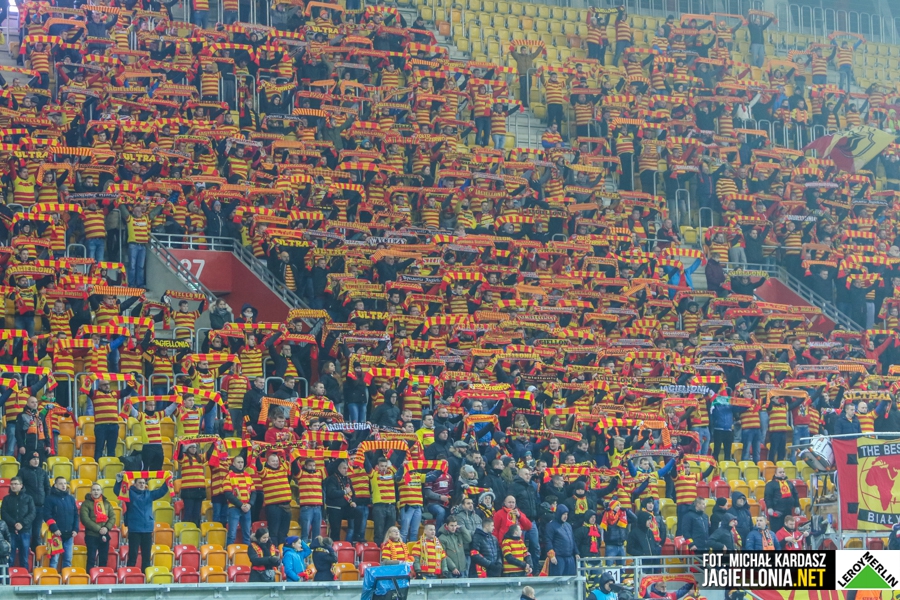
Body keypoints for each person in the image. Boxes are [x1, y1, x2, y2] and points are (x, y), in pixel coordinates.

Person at [113, 472, 170, 567]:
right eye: (140, 483)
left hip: (147, 529)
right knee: (133, 556)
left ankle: (145, 575)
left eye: (143, 483)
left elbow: (161, 491)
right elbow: (116, 491)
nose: (142, 484)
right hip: (134, 529)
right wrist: (119, 480)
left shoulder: (149, 494)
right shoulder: (129, 493)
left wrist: (168, 479)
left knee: (146, 558)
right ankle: (130, 574)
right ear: (134, 484)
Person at [44, 477, 79, 570]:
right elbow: (47, 515)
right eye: (60, 483)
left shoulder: (71, 499)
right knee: (54, 560)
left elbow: (76, 515)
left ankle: (66, 578)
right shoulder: (49, 499)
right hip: (56, 534)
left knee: (68, 559)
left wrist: (75, 529)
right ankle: (52, 578)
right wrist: (54, 528)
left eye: (65, 483)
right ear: (55, 485)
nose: (63, 485)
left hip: (69, 534)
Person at [1, 477, 35, 568]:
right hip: (10, 531)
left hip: (25, 530)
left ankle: (25, 575)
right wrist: (14, 524)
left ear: (21, 485)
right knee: (10, 557)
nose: (13, 486)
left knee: (24, 557)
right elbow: (4, 513)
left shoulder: (29, 498)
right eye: (12, 484)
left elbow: (32, 513)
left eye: (16, 484)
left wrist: (22, 524)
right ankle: (8, 576)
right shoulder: (6, 499)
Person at [80, 483, 114, 570]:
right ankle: (90, 577)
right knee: (91, 559)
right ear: (91, 492)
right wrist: (99, 529)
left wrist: (106, 528)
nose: (96, 492)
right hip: (91, 535)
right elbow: (85, 519)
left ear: (101, 491)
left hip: (105, 534)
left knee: (104, 559)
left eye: (98, 490)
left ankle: (102, 577)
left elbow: (113, 517)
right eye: (94, 490)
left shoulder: (107, 503)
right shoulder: (86, 504)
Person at [763, 467, 800, 533]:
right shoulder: (770, 484)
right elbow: (768, 497)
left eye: (783, 472)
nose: (782, 474)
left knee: (788, 531)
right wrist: (770, 507)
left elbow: (795, 494)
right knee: (777, 531)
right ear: (775, 474)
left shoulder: (789, 483)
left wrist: (797, 505)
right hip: (776, 512)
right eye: (780, 472)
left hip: (788, 511)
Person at [545, 505, 577, 576]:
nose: (566, 516)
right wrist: (552, 556)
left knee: (570, 579)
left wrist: (576, 553)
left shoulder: (568, 525)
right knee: (558, 580)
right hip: (558, 558)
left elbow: (572, 540)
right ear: (559, 514)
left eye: (567, 514)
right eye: (564, 514)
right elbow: (548, 541)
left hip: (570, 558)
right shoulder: (551, 525)